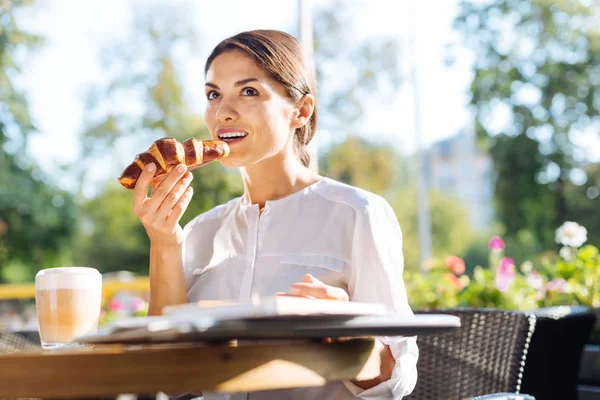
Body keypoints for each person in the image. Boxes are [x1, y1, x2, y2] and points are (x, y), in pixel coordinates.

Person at [132, 29, 418, 400]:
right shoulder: (200, 232)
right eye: (213, 94)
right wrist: (164, 244)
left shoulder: (358, 214)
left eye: (249, 91)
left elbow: (396, 379)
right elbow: (166, 377)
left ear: (301, 111)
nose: (223, 112)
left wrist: (350, 334)